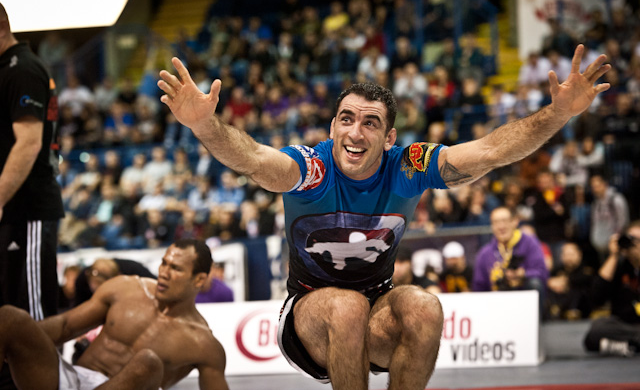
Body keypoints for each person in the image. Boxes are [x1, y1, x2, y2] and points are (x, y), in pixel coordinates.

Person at [158, 44, 609, 389]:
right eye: (346, 119)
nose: (355, 132)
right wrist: (203, 125)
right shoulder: (311, 169)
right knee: (348, 306)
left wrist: (559, 113)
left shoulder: (406, 165)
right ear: (333, 126)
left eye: (370, 123)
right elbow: (254, 159)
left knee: (425, 306)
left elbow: (489, 152)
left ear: (389, 136)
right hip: (308, 318)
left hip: (376, 313)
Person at [0, 238, 229, 389]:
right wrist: (21, 344)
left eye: (176, 268)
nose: (164, 273)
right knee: (10, 318)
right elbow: (64, 326)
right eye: (164, 263)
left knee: (148, 362)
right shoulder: (126, 288)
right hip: (72, 379)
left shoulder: (204, 344)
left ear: (199, 279)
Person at [0, 5, 65, 390]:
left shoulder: (22, 68)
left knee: (32, 315)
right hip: (11, 211)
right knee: (9, 314)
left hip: (27, 212)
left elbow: (28, 144)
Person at [583, 222, 640, 357]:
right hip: (623, 324)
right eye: (631, 240)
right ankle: (631, 345)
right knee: (596, 330)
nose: (635, 245)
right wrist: (613, 255)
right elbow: (596, 297)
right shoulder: (618, 266)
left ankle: (625, 346)